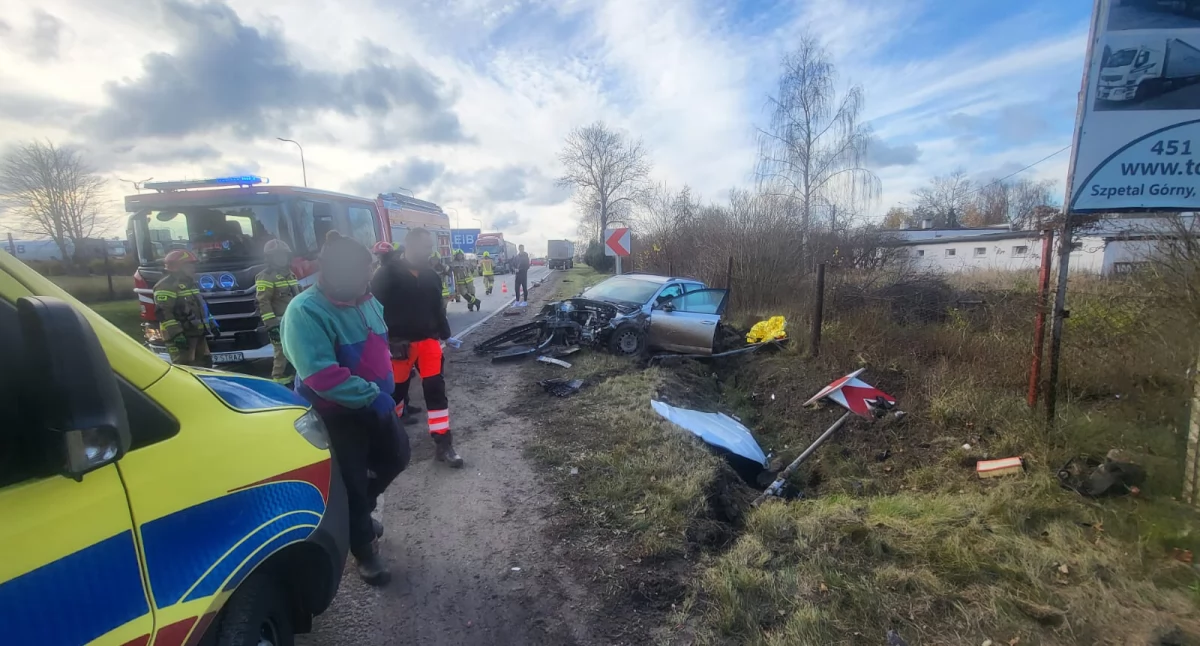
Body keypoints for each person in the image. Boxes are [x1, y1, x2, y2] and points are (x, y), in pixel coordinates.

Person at [282, 231, 409, 586]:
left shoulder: (367, 299)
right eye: (359, 273)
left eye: (366, 272)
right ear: (333, 272)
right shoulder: (305, 311)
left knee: (397, 457)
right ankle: (365, 552)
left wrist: (391, 350)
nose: (365, 280)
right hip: (336, 414)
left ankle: (360, 517)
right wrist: (373, 396)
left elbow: (377, 340)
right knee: (353, 484)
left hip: (374, 406)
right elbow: (323, 376)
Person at [372, 227, 465, 468]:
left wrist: (446, 335)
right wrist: (383, 341)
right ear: (410, 246)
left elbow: (438, 308)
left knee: (435, 392)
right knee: (396, 393)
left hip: (428, 343)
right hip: (398, 346)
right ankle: (386, 443)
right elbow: (372, 312)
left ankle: (444, 445)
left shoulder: (431, 275)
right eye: (425, 247)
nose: (430, 251)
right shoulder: (386, 274)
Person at [154, 249, 216, 367]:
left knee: (205, 364)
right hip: (182, 337)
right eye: (189, 265)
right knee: (186, 368)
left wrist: (212, 324)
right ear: (178, 267)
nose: (193, 268)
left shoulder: (190, 283)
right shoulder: (165, 286)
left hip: (197, 333)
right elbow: (164, 313)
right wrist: (177, 334)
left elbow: (200, 307)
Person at [255, 239, 301, 383]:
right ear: (269, 258)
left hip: (295, 322)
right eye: (277, 256)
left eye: (283, 255)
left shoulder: (291, 274)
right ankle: (279, 385)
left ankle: (294, 383)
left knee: (296, 353)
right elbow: (263, 301)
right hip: (279, 324)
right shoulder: (266, 276)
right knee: (281, 355)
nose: (281, 259)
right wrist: (272, 325)